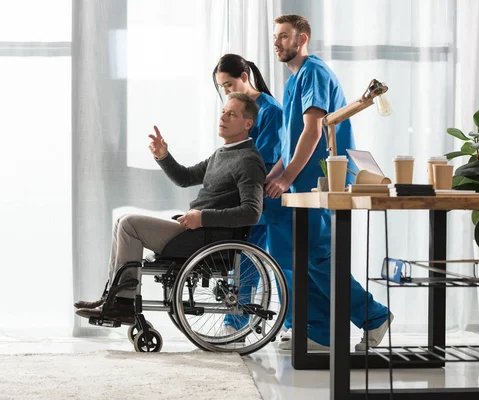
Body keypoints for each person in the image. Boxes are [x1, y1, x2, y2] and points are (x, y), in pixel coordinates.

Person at [75, 93, 266, 324]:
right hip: (195, 231)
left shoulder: (248, 160)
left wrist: (203, 218)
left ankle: (123, 303)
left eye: (232, 114)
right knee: (121, 222)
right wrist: (163, 156)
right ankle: (114, 298)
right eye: (224, 111)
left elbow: (252, 212)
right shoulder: (223, 153)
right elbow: (185, 177)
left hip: (207, 237)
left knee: (129, 224)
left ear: (248, 124)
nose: (223, 117)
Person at [266, 14, 393, 351]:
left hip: (320, 181)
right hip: (301, 184)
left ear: (302, 38)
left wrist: (288, 176)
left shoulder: (314, 73)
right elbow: (288, 139)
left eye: (283, 36)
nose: (276, 43)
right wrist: (275, 174)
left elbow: (313, 129)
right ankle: (320, 335)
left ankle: (375, 316)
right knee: (306, 259)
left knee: (318, 258)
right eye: (275, 37)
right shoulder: (294, 81)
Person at [212, 54, 293, 332]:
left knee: (284, 264)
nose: (227, 91)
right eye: (222, 87)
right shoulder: (240, 111)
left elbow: (264, 158)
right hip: (252, 195)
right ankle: (234, 323)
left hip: (270, 196)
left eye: (229, 83)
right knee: (243, 259)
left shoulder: (269, 110)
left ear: (244, 77)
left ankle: (292, 325)